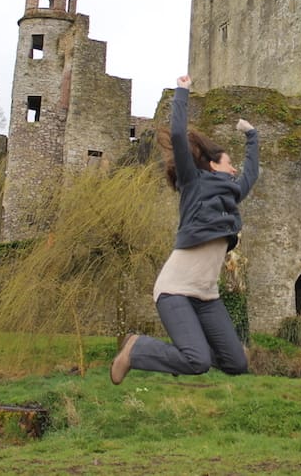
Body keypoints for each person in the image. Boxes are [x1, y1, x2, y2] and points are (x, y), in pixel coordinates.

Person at [111, 74, 259, 383]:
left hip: (207, 296)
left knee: (236, 363)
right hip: (176, 290)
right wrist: (182, 92)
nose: (235, 170)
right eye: (229, 164)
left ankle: (196, 349)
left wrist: (252, 136)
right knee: (197, 362)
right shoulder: (193, 184)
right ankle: (136, 349)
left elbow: (251, 174)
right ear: (212, 166)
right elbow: (179, 136)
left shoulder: (232, 196)